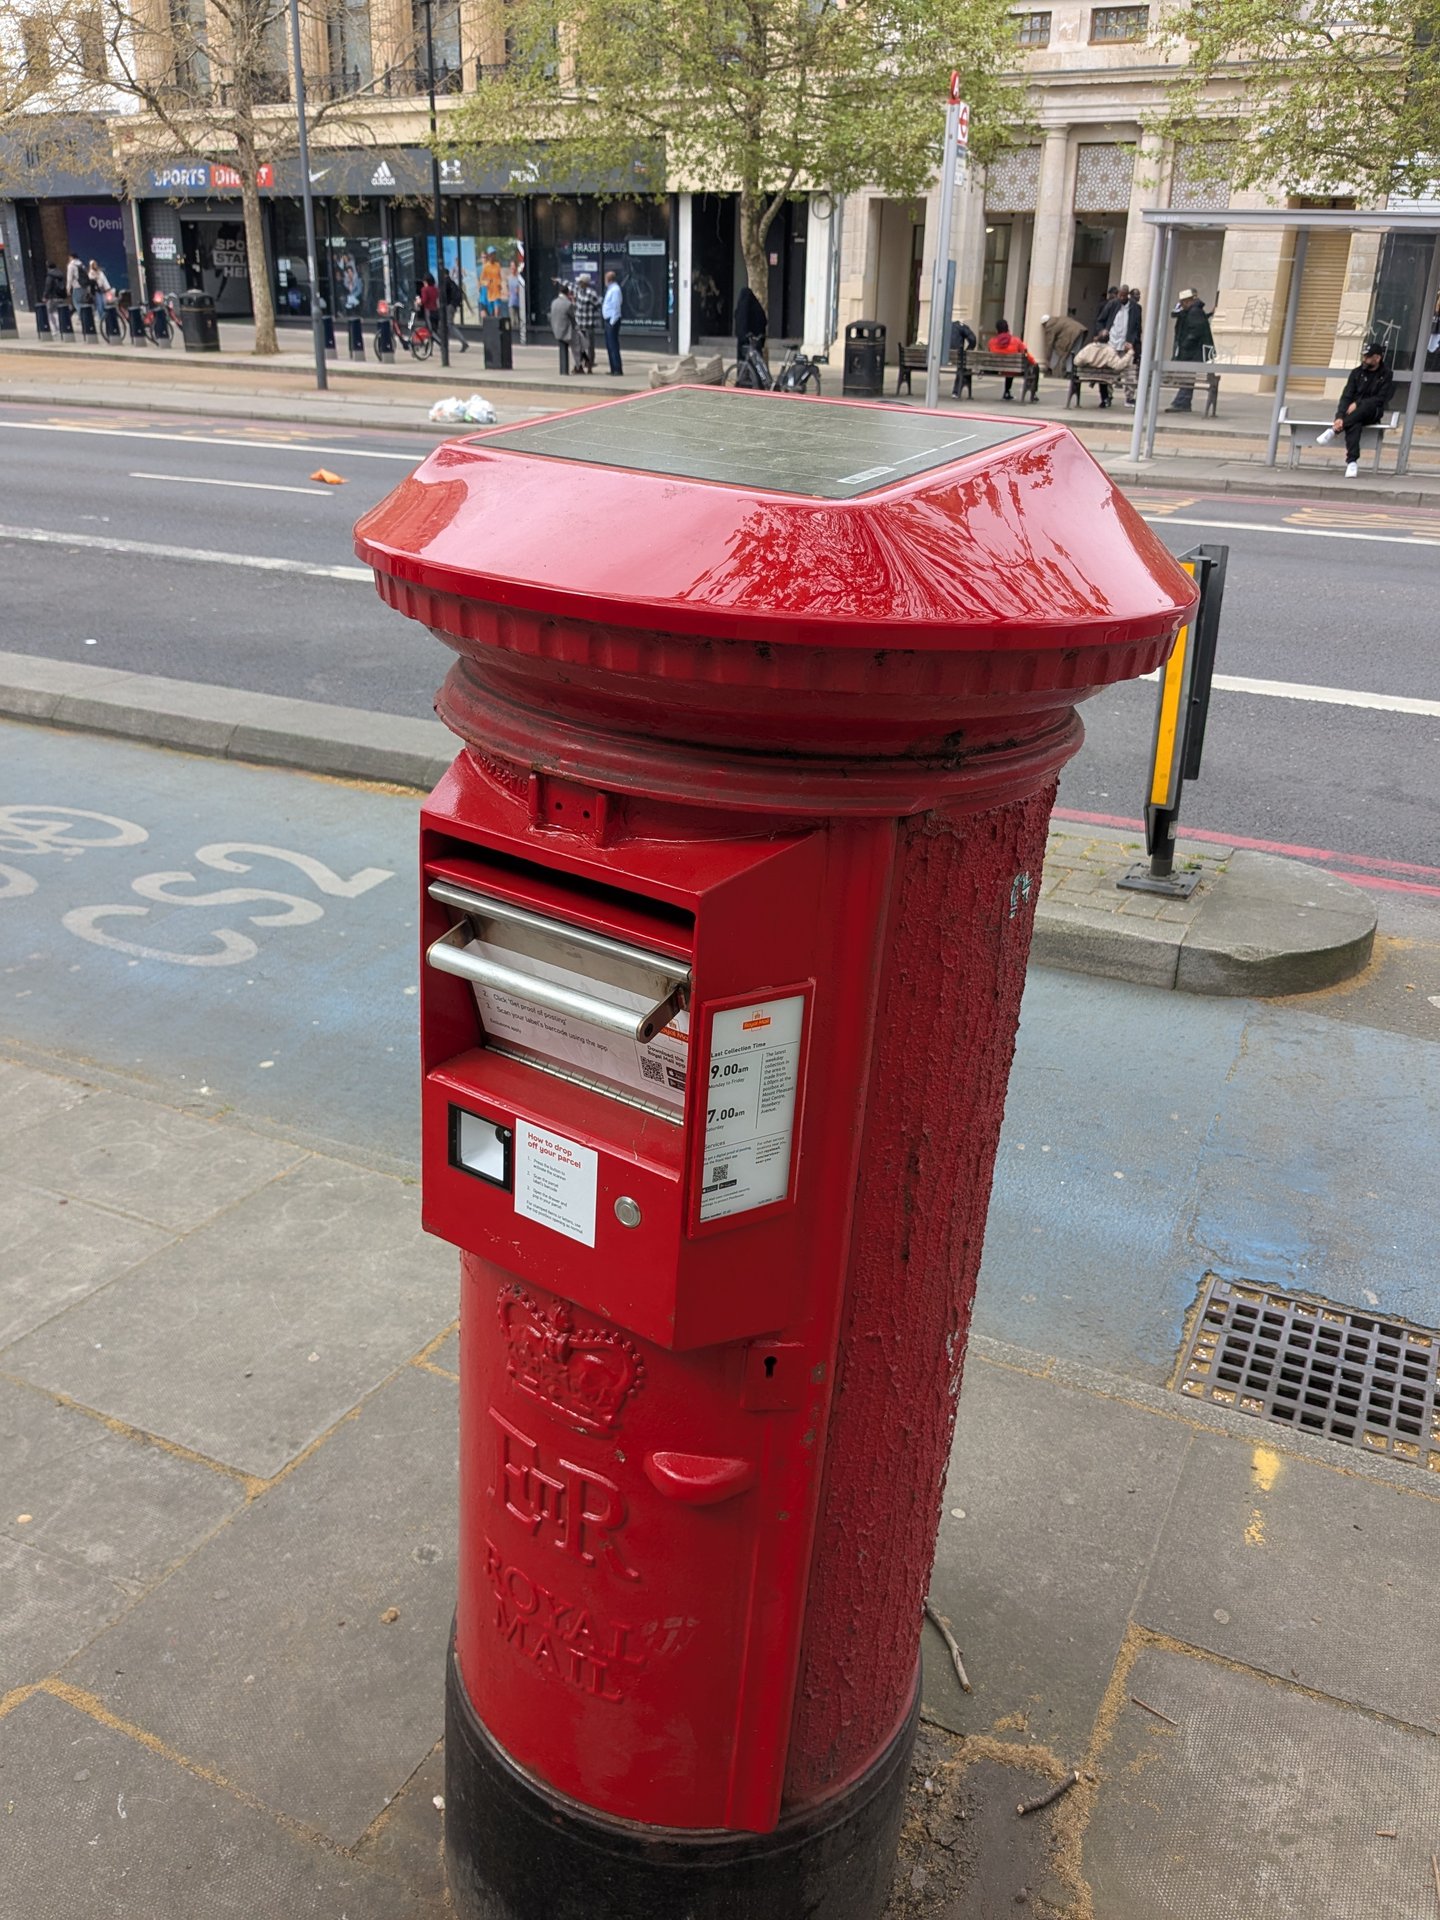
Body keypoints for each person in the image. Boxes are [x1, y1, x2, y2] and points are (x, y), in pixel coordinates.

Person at [1315, 341, 1396, 478]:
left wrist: (1358, 404)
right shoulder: (1356, 373)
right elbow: (1346, 396)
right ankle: (1352, 462)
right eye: (1363, 356)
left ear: (1377, 358)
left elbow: (1381, 398)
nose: (1364, 359)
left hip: (1373, 412)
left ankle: (1333, 431)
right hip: (1353, 415)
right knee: (1355, 425)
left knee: (1365, 406)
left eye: (1368, 357)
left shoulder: (1386, 374)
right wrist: (1339, 416)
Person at [1165, 288, 1213, 412]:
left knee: (1187, 376)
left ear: (1188, 301)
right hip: (1192, 351)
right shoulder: (1192, 311)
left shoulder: (1194, 312)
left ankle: (1182, 402)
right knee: (1187, 376)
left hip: (1192, 351)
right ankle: (1183, 401)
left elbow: (1194, 332)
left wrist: (1185, 345)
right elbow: (1175, 314)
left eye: (1183, 303)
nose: (1181, 305)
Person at [987, 318, 1035, 399]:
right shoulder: (1016, 341)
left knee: (1008, 368)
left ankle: (1007, 392)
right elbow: (1026, 354)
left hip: (997, 369)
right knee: (1033, 368)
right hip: (1014, 369)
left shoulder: (991, 341)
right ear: (1007, 329)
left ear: (997, 330)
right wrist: (1034, 362)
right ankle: (1034, 393)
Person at [569, 273, 600, 373]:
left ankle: (589, 366)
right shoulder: (578, 291)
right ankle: (579, 366)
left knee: (590, 347)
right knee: (579, 346)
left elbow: (599, 305)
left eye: (580, 282)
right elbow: (569, 285)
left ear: (584, 283)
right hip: (579, 324)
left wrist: (594, 313)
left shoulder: (591, 293)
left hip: (588, 324)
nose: (578, 283)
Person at [1039, 311, 1086, 377]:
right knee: (1074, 353)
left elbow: (1049, 342)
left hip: (1071, 335)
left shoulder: (1049, 326)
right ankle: (1073, 372)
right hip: (1080, 330)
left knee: (1068, 354)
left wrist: (1047, 357)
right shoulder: (1059, 319)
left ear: (1044, 323)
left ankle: (1068, 372)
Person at [734, 281, 766, 363]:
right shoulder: (756, 308)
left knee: (742, 361)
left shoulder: (741, 308)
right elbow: (763, 320)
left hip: (743, 340)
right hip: (755, 340)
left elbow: (739, 322)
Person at [549, 279, 575, 375]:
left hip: (556, 328)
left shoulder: (554, 302)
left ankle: (563, 369)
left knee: (562, 348)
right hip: (566, 330)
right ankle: (565, 370)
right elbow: (573, 316)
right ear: (567, 293)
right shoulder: (568, 304)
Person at [440, 266, 469, 352]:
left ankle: (463, 342)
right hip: (453, 305)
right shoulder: (451, 282)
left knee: (449, 325)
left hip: (449, 306)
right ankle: (445, 344)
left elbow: (444, 296)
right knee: (446, 326)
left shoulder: (446, 282)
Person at [602, 269, 623, 374]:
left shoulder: (615, 290)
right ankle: (613, 368)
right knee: (609, 345)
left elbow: (616, 306)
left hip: (612, 320)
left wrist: (612, 321)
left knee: (613, 345)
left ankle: (617, 369)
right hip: (608, 319)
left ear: (609, 279)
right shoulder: (611, 289)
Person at [949, 317, 977, 396]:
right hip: (957, 357)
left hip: (940, 356)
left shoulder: (941, 326)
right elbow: (973, 339)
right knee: (962, 366)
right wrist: (968, 350)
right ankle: (956, 391)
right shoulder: (960, 326)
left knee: (962, 363)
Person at [89, 260, 113, 334]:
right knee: (99, 304)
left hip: (102, 290)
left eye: (96, 264)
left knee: (104, 303)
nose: (95, 265)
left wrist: (108, 288)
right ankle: (101, 316)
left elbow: (104, 280)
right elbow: (91, 281)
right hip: (96, 291)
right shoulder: (91, 273)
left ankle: (105, 316)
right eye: (94, 264)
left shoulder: (100, 272)